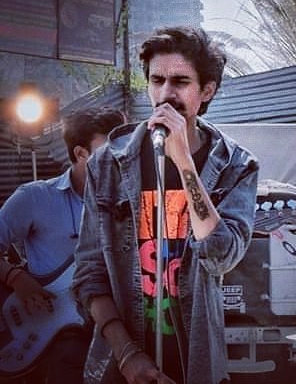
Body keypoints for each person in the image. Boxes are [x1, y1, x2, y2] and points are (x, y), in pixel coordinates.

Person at [72, 26, 259, 384]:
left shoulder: (236, 165)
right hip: (123, 361)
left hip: (195, 358)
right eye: (157, 81)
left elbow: (222, 256)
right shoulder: (107, 164)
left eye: (180, 82)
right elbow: (89, 273)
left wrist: (184, 161)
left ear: (206, 91)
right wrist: (127, 354)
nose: (165, 95)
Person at [0, 107, 126, 384]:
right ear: (81, 153)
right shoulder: (34, 198)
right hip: (53, 330)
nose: (122, 157)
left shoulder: (132, 204)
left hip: (114, 326)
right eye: (111, 150)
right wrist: (16, 278)